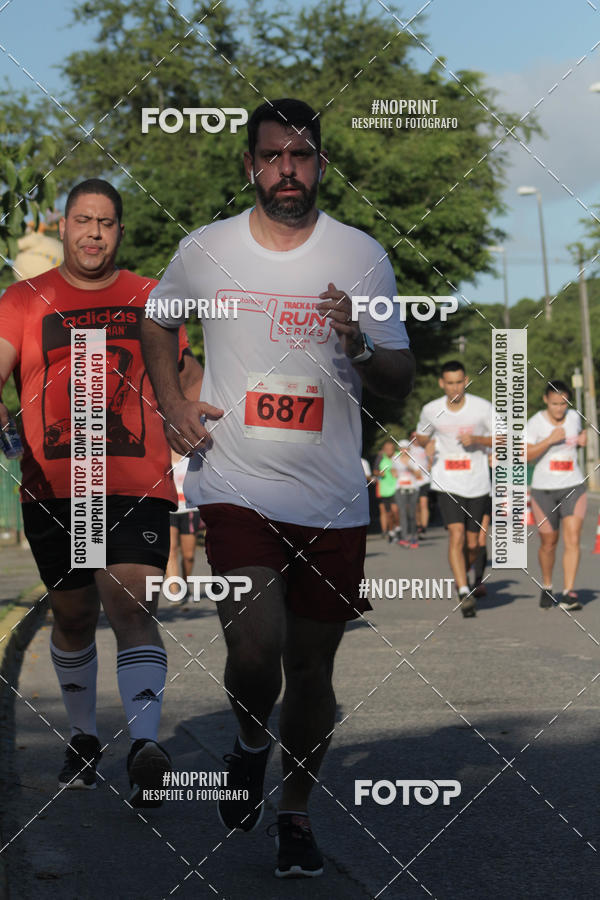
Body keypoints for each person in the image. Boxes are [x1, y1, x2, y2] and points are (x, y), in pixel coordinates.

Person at [141, 98, 414, 878]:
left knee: (313, 672)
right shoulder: (207, 249)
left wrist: (359, 345)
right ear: (250, 166)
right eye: (272, 156)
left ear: (320, 165)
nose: (286, 170)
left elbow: (399, 377)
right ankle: (249, 740)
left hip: (331, 495)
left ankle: (294, 811)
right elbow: (157, 321)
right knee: (256, 648)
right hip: (236, 481)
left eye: (300, 156)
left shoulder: (361, 255)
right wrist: (174, 404)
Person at [0, 179, 202, 806]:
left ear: (119, 231)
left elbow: (186, 374)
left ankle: (144, 746)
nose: (94, 232)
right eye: (83, 220)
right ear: (63, 227)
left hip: (135, 480)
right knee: (73, 616)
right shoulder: (22, 299)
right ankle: (84, 736)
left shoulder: (150, 296)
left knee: (131, 607)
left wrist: (197, 419)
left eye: (106, 222)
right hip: (56, 485)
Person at [416, 361, 493, 617]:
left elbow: (505, 436)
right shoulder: (431, 410)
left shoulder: (482, 408)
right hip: (446, 481)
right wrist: (426, 443)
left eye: (459, 382)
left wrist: (478, 439)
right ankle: (463, 590)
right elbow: (422, 435)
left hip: (477, 482)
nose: (455, 388)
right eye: (450, 383)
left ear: (466, 381)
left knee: (473, 544)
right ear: (442, 384)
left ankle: (464, 574)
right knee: (456, 535)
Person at [527, 380, 587, 611]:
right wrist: (549, 440)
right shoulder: (535, 423)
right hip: (543, 490)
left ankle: (569, 592)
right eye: (554, 404)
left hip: (573, 485)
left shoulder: (574, 418)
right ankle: (547, 585)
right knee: (549, 543)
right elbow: (525, 455)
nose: (559, 409)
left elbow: (575, 442)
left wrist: (580, 443)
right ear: (546, 400)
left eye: (563, 404)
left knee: (572, 538)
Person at [165, 449, 204, 606]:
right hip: (169, 509)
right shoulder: (163, 452)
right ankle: (174, 591)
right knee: (171, 550)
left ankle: (184, 585)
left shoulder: (191, 454)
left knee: (188, 555)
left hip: (189, 509)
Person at [394, 439, 422, 548]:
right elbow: (393, 470)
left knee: (411, 514)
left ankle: (414, 538)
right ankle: (404, 538)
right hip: (400, 488)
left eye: (406, 448)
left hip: (412, 489)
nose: (404, 450)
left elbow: (418, 474)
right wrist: (394, 472)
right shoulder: (395, 459)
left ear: (409, 449)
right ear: (399, 449)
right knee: (402, 513)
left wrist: (409, 467)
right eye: (402, 448)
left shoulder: (414, 460)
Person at [373, 439, 401, 541]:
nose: (389, 451)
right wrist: (380, 473)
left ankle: (398, 527)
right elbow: (375, 471)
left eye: (391, 449)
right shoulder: (380, 457)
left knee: (395, 510)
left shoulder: (398, 456)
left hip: (396, 487)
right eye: (387, 449)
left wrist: (398, 472)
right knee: (388, 513)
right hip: (385, 489)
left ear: (394, 449)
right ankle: (391, 531)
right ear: (384, 450)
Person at [408, 430, 431, 538]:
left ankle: (423, 528)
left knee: (423, 504)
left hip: (425, 480)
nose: (415, 439)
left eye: (417, 437)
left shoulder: (425, 448)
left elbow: (431, 461)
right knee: (415, 506)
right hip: (413, 482)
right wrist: (413, 472)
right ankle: (418, 525)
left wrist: (430, 467)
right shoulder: (408, 449)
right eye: (413, 437)